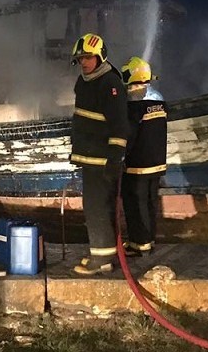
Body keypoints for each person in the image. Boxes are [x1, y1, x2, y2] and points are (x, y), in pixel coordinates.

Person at [68, 33, 129, 275]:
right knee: (92, 207)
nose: (84, 62)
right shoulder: (84, 82)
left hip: (102, 159)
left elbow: (120, 125)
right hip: (89, 156)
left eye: (88, 57)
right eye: (80, 58)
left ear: (100, 56)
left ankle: (102, 258)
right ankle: (100, 252)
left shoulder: (110, 83)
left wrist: (115, 158)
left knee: (98, 208)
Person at [119, 56, 167, 257]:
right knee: (150, 203)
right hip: (157, 162)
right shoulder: (158, 98)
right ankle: (149, 239)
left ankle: (139, 243)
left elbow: (129, 134)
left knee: (135, 204)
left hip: (138, 165)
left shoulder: (134, 101)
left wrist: (121, 156)